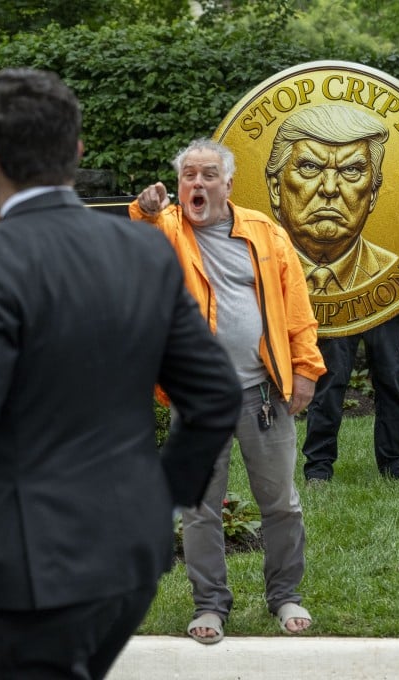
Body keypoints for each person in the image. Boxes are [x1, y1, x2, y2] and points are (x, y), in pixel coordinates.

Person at [0, 69, 243, 679]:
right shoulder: (143, 251)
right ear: (77, 151)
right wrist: (159, 500)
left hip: (36, 571)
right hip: (127, 562)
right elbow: (217, 394)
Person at [130, 138, 326, 643]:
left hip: (262, 393)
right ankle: (210, 604)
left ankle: (285, 596)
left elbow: (297, 306)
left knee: (281, 503)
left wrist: (305, 369)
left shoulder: (264, 232)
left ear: (228, 184)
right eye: (188, 175)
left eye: (208, 175)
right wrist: (145, 210)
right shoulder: (167, 227)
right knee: (200, 509)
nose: (197, 183)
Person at [295, 121, 399, 482]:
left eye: (352, 171)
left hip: (388, 295)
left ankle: (396, 466)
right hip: (333, 297)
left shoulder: (397, 155)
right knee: (330, 384)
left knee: (393, 382)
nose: (332, 188)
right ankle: (318, 468)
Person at [264, 104, 395, 294]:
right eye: (310, 167)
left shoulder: (393, 270)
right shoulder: (246, 268)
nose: (330, 188)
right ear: (276, 189)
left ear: (373, 193)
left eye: (351, 170)